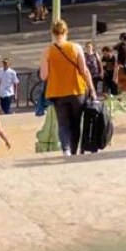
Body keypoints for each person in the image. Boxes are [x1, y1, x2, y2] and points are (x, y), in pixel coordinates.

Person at [39, 20, 97, 156]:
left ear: (52, 33)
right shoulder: (75, 48)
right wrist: (92, 90)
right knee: (76, 123)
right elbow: (85, 71)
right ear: (66, 32)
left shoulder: (47, 51)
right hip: (77, 90)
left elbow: (43, 76)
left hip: (58, 92)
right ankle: (74, 150)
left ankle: (66, 149)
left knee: (63, 123)